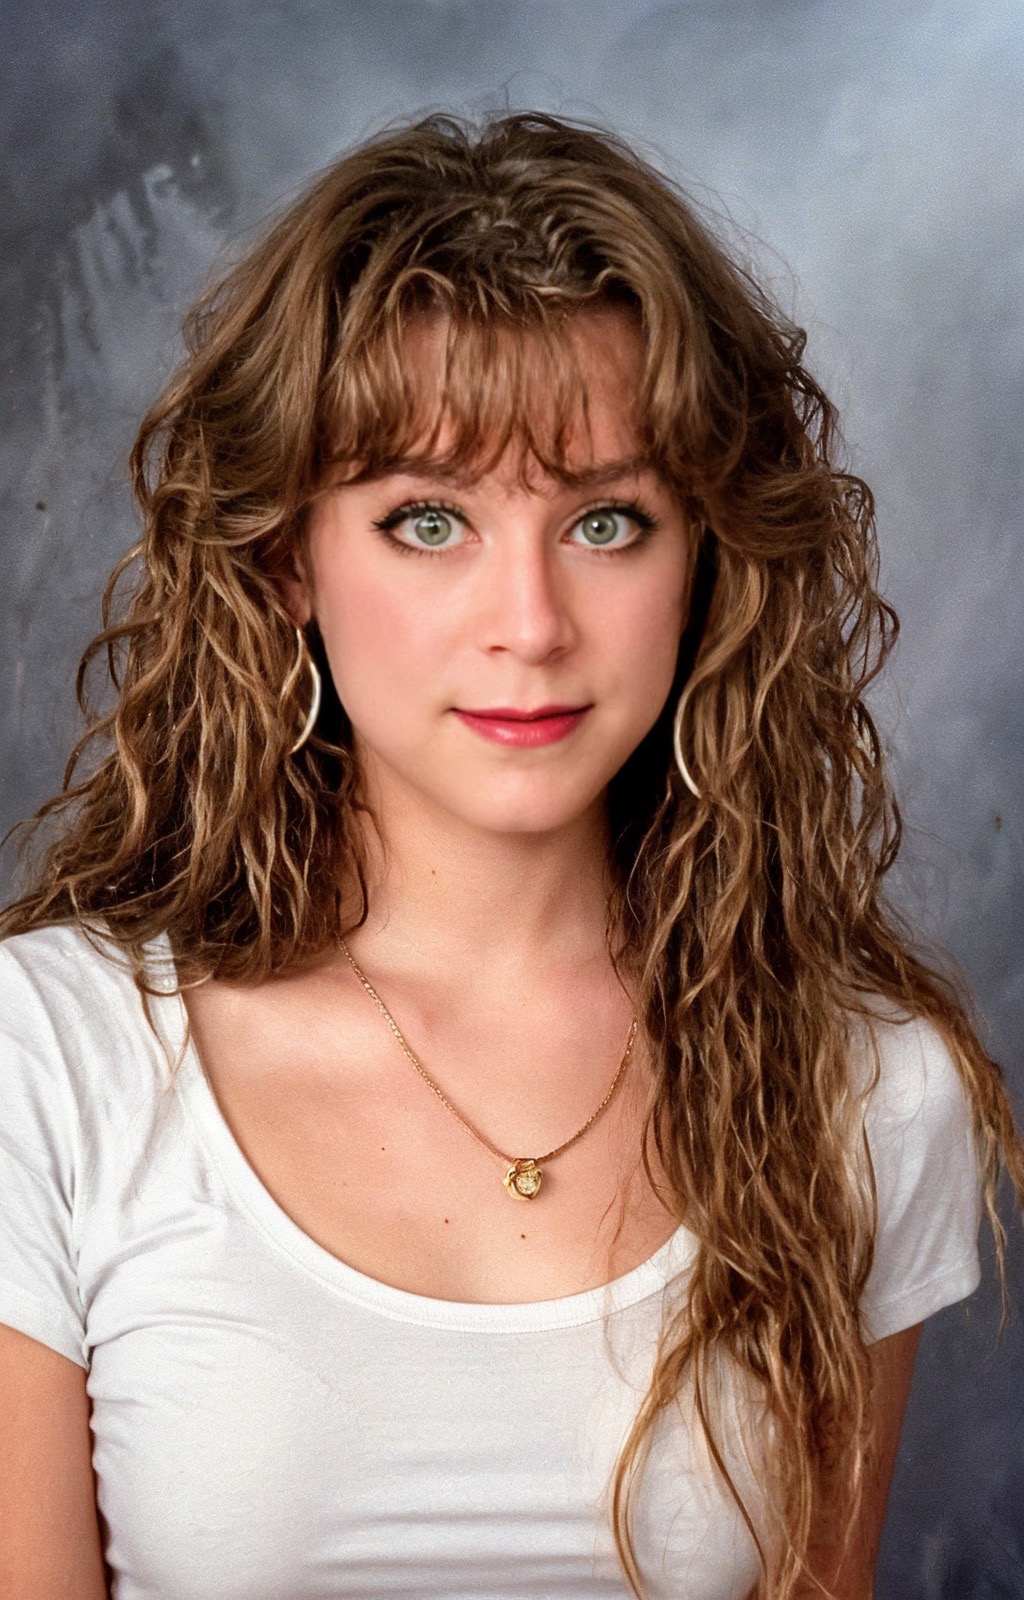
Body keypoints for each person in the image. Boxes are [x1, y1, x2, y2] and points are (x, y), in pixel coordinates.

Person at [0, 110, 1020, 1600]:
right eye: (428, 521)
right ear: (290, 557)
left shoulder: (864, 1087)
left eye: (607, 520)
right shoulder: (51, 1056)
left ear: (707, 560)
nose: (530, 624)